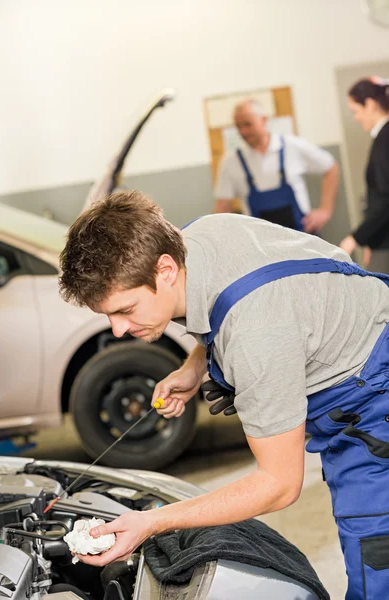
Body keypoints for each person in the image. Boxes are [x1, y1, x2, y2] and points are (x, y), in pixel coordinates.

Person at [60, 191, 389, 599]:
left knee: (379, 571)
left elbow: (279, 483)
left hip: (375, 405)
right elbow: (238, 295)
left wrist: (152, 522)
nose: (117, 330)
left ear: (164, 270)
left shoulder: (255, 333)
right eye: (108, 315)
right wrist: (195, 367)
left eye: (126, 310)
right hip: (357, 334)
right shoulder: (198, 236)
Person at [214, 100, 339, 233]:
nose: (243, 131)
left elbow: (331, 167)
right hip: (261, 247)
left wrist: (325, 210)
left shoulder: (292, 145)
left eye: (248, 124)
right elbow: (223, 207)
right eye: (238, 127)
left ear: (263, 120)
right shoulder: (230, 162)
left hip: (303, 238)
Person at [340, 77, 389, 273]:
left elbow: (385, 198)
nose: (356, 118)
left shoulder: (385, 138)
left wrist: (355, 238)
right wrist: (370, 240)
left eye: (355, 112)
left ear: (369, 104)